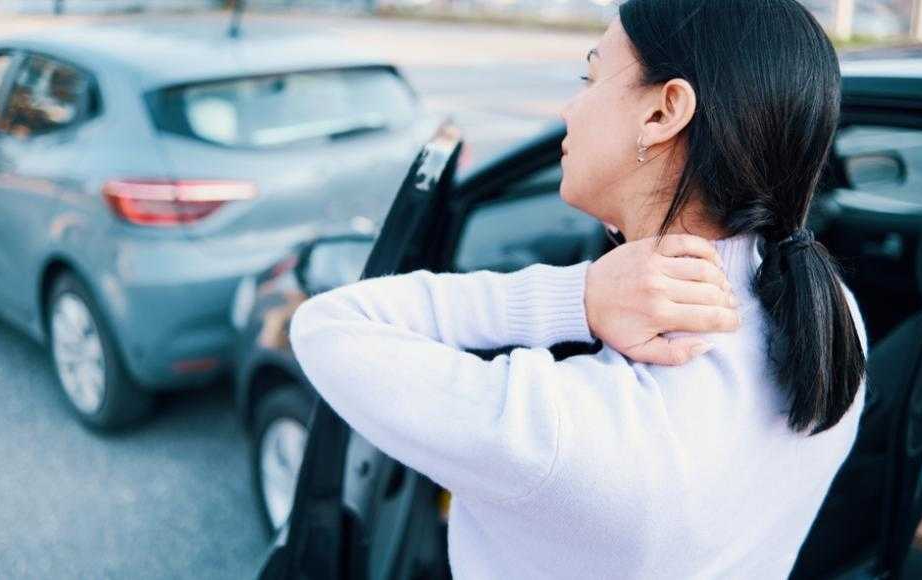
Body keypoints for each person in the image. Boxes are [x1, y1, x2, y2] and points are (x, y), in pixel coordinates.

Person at [288, 0, 868, 577]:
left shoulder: (561, 431)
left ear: (663, 113)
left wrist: (579, 296)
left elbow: (327, 326)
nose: (570, 106)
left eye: (590, 76)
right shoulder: (835, 319)